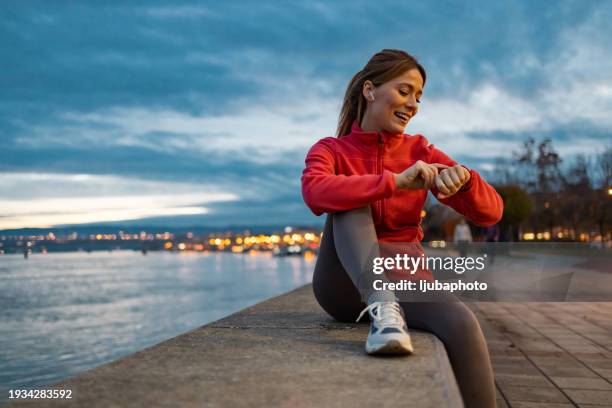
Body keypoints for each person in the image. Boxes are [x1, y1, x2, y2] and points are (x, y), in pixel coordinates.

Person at [301, 49, 503, 408]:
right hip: (343, 286)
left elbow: (492, 213)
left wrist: (466, 181)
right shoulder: (330, 150)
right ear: (370, 90)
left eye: (419, 97)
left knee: (464, 324)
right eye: (405, 90)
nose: (413, 104)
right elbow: (314, 192)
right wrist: (392, 182)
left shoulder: (421, 152)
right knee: (351, 195)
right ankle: (381, 306)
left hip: (408, 280)